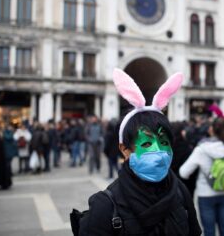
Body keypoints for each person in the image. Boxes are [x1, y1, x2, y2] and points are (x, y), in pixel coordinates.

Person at [78, 69, 201, 236]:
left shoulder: (180, 191)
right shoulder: (105, 205)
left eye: (164, 143)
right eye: (147, 143)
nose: (159, 152)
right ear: (125, 150)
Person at [179, 118, 224, 236]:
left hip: (206, 194)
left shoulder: (201, 149)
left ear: (211, 130)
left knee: (209, 231)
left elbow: (183, 172)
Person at [171, 121, 198, 197]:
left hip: (169, 188)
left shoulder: (165, 148)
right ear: (182, 132)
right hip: (186, 187)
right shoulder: (188, 148)